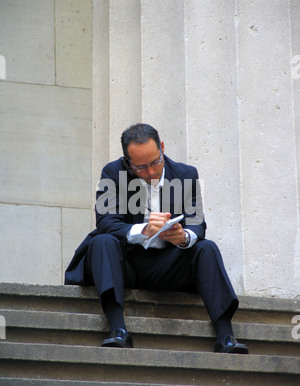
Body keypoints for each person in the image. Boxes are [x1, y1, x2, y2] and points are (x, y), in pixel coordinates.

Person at [65, 123, 248, 354]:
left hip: (167, 265)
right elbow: (106, 222)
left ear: (161, 147)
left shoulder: (186, 174)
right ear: (127, 161)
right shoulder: (112, 173)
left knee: (207, 248)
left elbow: (197, 223)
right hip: (124, 264)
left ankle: (225, 335)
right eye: (141, 167)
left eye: (155, 162)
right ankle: (118, 330)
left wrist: (182, 237)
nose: (151, 172)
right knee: (102, 241)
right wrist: (144, 231)